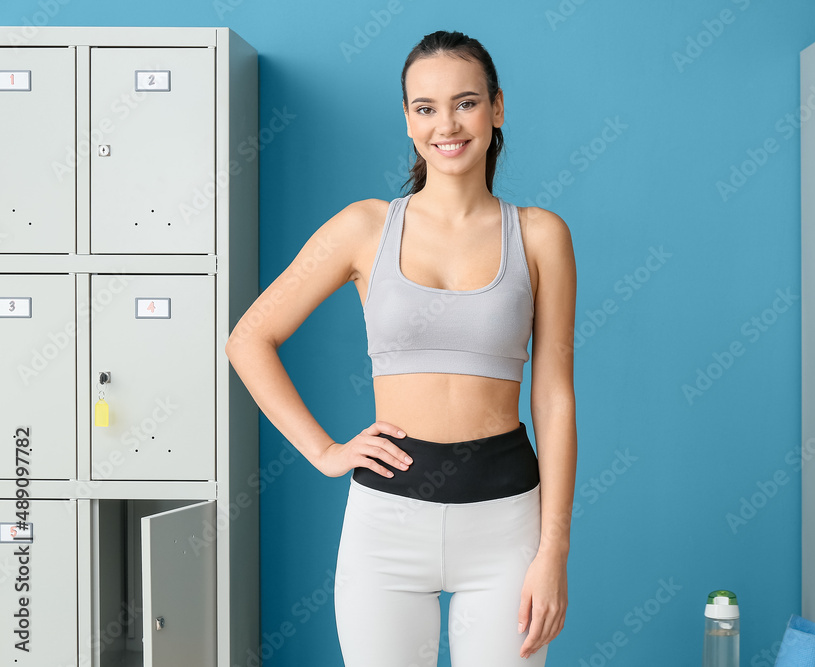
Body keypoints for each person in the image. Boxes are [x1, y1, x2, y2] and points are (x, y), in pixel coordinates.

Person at [225, 30, 577, 666]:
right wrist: (326, 451)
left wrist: (554, 550)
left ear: (497, 108)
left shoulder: (541, 235)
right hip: (385, 524)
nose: (447, 124)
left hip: (505, 524)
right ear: (408, 119)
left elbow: (554, 396)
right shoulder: (364, 228)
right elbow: (249, 338)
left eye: (466, 102)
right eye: (426, 107)